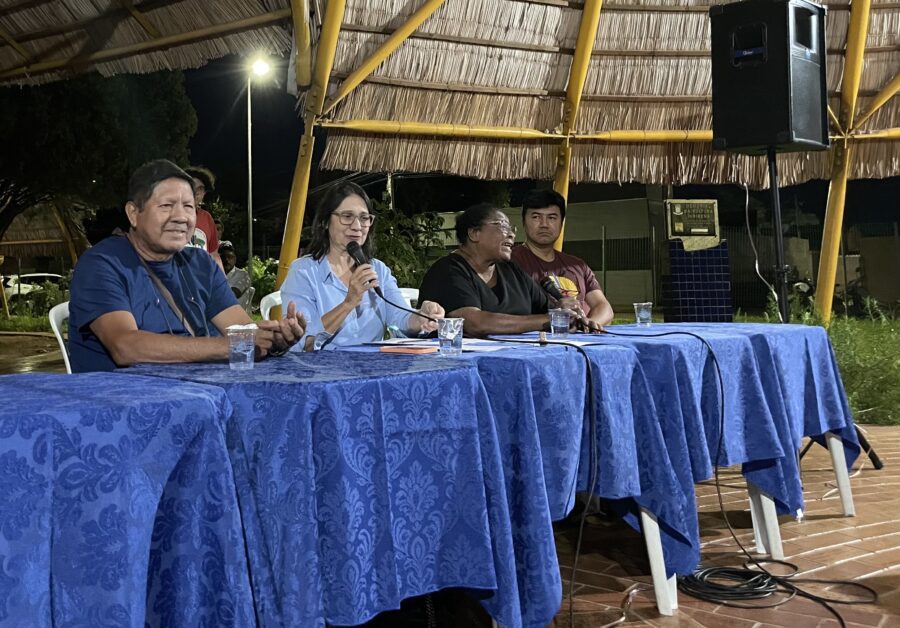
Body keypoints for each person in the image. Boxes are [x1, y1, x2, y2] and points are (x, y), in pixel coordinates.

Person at [68, 159, 305, 373]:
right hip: (123, 400)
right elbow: (126, 347)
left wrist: (274, 339)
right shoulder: (101, 264)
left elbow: (243, 331)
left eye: (189, 206)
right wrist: (232, 345)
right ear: (133, 213)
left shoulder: (200, 264)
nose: (181, 217)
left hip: (197, 393)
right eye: (166, 205)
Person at [281, 182, 444, 351]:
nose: (357, 226)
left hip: (373, 364)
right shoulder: (303, 271)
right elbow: (304, 343)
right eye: (347, 217)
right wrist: (348, 303)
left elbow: (399, 318)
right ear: (326, 221)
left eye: (364, 218)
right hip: (323, 366)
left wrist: (421, 318)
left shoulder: (378, 269)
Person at [418, 203, 554, 336]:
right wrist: (550, 320)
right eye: (502, 226)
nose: (511, 234)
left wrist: (561, 308)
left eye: (511, 228)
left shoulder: (512, 270)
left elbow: (549, 309)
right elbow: (475, 324)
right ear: (474, 233)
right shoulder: (447, 271)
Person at [510, 190, 614, 328]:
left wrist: (590, 324)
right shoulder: (510, 262)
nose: (544, 224)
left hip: (580, 338)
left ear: (561, 223)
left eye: (552, 218)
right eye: (536, 217)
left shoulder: (577, 265)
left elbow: (603, 306)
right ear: (523, 221)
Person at [183, 165, 222, 269]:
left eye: (200, 188)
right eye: (191, 186)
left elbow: (214, 255)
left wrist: (222, 278)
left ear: (204, 193)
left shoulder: (207, 218)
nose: (196, 192)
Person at [219, 241, 253, 313]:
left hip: (237, 316)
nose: (226, 260)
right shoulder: (215, 274)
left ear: (235, 258)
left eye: (230, 257)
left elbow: (232, 295)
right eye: (223, 257)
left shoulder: (243, 275)